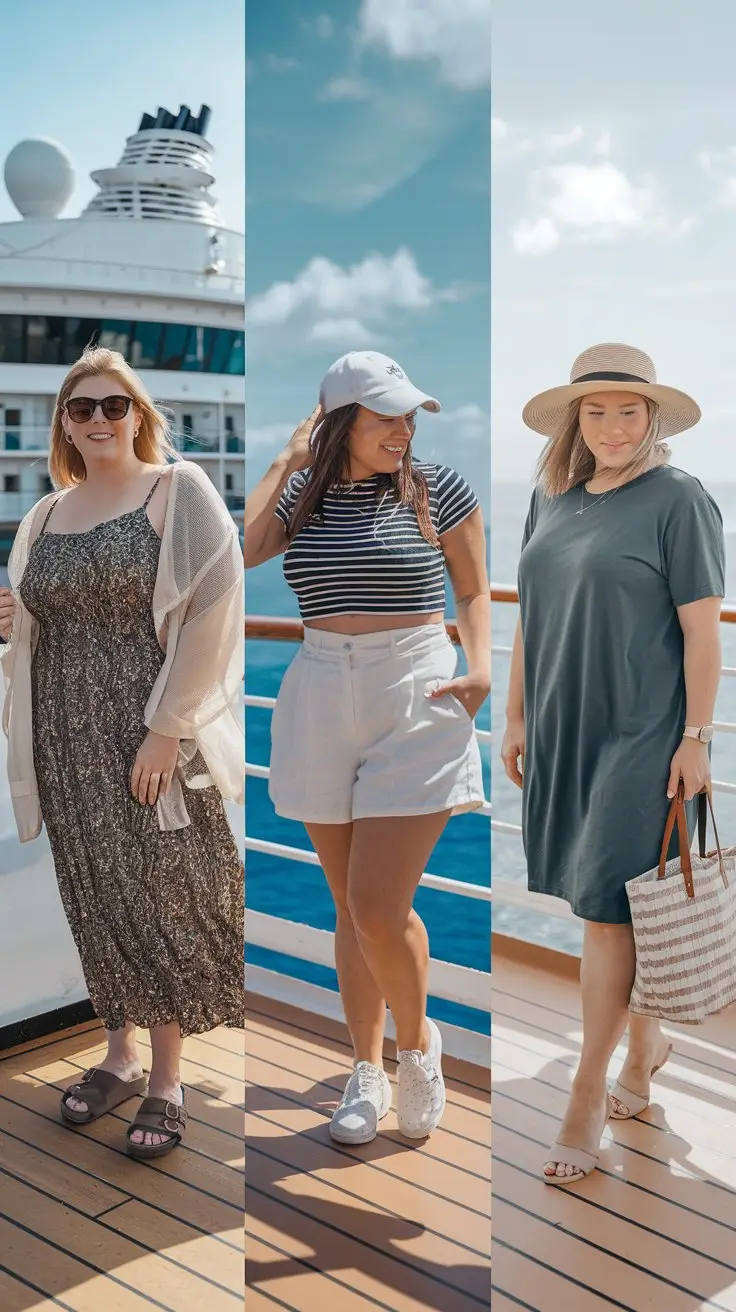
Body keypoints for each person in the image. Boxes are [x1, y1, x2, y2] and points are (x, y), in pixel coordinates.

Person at [0, 346, 244, 1161]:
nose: (99, 420)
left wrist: (168, 729)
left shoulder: (179, 491)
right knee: (96, 896)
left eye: (114, 405)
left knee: (163, 896)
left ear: (139, 413)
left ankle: (168, 1077)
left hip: (144, 738)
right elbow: (37, 626)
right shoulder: (45, 514)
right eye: (82, 408)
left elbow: (214, 608)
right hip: (63, 740)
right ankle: (119, 1054)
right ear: (63, 423)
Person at [245, 350, 490, 1144]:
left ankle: (418, 1053)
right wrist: (288, 455)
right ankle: (365, 1067)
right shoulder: (304, 496)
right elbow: (240, 551)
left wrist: (483, 664)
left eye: (408, 415)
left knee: (379, 905)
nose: (403, 429)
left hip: (415, 687)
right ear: (339, 422)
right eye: (385, 416)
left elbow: (474, 584)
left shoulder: (437, 486)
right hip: (321, 687)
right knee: (350, 905)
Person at [501, 343, 725, 1185]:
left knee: (605, 909)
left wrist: (697, 740)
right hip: (564, 728)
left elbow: (703, 631)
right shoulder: (549, 498)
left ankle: (586, 1092)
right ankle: (641, 1055)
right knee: (606, 907)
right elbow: (527, 614)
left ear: (652, 416)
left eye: (629, 411)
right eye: (596, 411)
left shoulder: (679, 500)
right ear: (574, 419)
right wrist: (518, 715)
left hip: (642, 735)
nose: (614, 426)